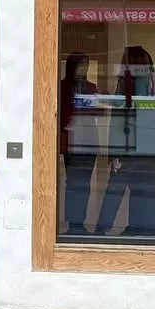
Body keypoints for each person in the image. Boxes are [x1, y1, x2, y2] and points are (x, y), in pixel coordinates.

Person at [94, 44, 155, 237]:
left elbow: (127, 114)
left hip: (128, 147)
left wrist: (116, 153)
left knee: (114, 191)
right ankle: (144, 229)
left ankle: (101, 230)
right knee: (144, 191)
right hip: (149, 148)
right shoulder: (153, 82)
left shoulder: (130, 83)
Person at [59, 51, 99, 234]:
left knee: (85, 183)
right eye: (81, 64)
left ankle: (79, 222)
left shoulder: (92, 87)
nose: (84, 68)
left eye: (86, 64)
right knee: (73, 183)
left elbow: (97, 112)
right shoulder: (62, 87)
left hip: (89, 139)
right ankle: (72, 222)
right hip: (72, 140)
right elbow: (60, 113)